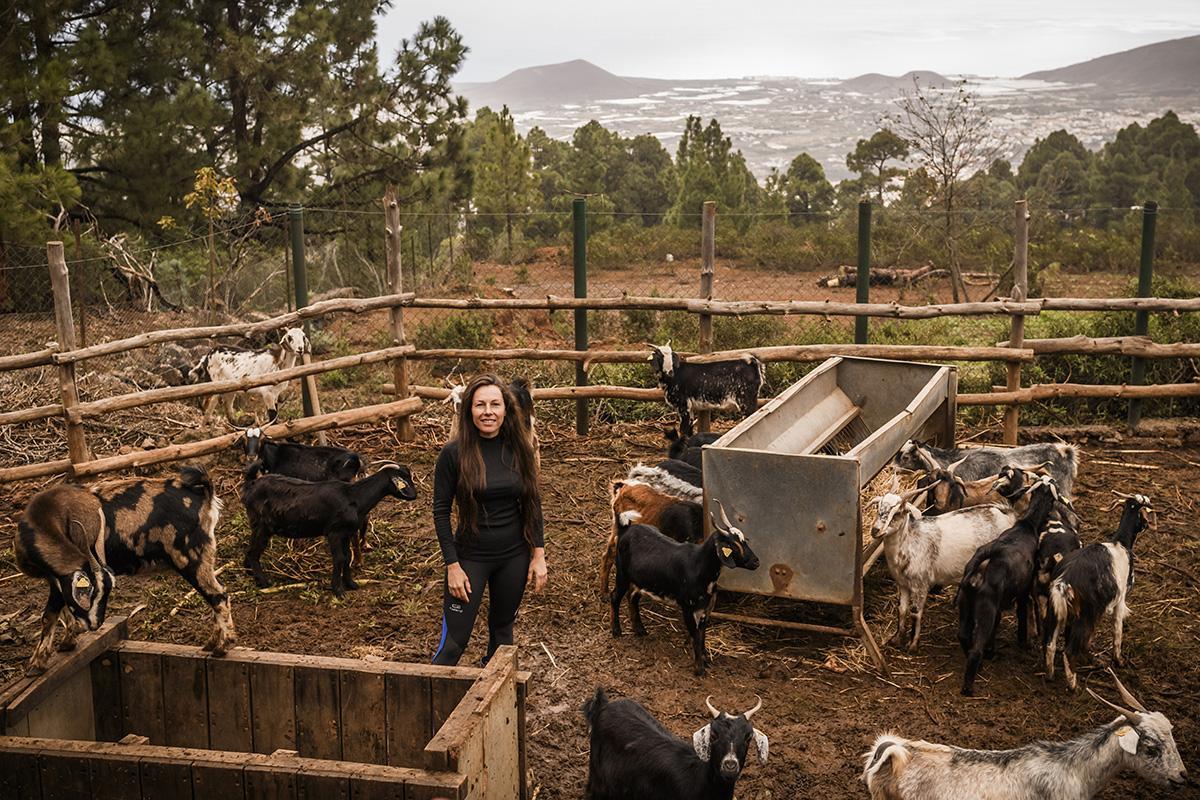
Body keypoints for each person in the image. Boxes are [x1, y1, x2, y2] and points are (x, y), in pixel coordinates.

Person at [432, 374, 547, 665]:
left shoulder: (519, 447)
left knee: (502, 635)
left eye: (495, 404)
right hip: (470, 558)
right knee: (453, 644)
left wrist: (538, 555)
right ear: (469, 409)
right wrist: (452, 566)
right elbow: (440, 511)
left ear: (506, 409)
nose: (488, 412)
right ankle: (429, 705)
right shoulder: (453, 454)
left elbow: (532, 501)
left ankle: (496, 706)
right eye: (480, 404)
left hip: (513, 557)